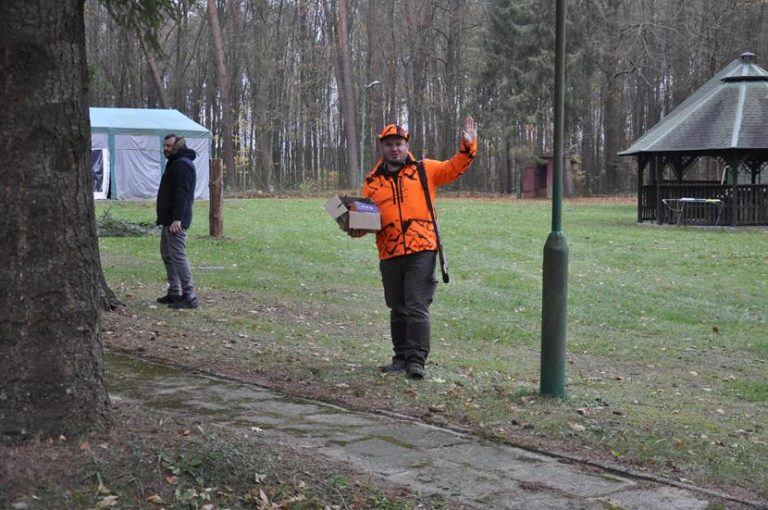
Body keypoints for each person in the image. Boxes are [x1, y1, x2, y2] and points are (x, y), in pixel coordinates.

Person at [350, 117, 478, 379]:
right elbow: (367, 220)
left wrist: (468, 144)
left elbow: (455, 167)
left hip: (422, 249)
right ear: (382, 148)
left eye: (398, 144)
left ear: (406, 145)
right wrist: (353, 227)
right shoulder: (372, 181)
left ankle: (416, 361)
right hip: (389, 251)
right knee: (397, 306)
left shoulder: (425, 170)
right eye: (389, 145)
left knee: (416, 304)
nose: (394, 149)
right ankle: (399, 358)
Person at [156, 134, 199, 309]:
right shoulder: (174, 162)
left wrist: (177, 219)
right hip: (169, 219)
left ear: (177, 146)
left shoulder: (181, 164)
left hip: (176, 221)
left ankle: (189, 295)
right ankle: (174, 292)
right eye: (164, 145)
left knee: (178, 256)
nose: (165, 149)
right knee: (167, 255)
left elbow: (183, 194)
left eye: (168, 146)